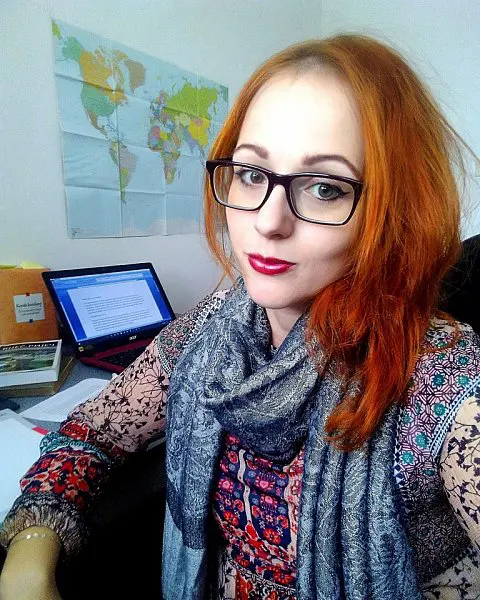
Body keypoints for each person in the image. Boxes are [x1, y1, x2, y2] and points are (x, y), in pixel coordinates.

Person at [1, 33, 479, 600]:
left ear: (393, 211)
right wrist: (30, 554)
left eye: (325, 188)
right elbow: (96, 430)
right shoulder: (214, 328)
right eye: (252, 174)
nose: (268, 222)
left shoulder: (443, 384)